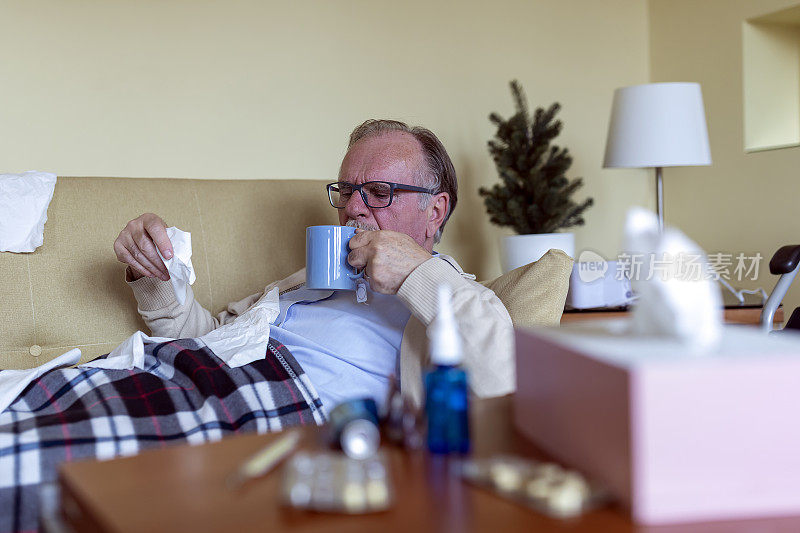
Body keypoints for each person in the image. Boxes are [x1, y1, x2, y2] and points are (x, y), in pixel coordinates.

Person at [114, 119, 514, 410]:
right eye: (346, 191)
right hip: (182, 371)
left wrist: (415, 272)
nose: (353, 208)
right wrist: (157, 274)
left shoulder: (453, 295)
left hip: (266, 402)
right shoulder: (309, 278)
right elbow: (216, 339)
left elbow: (502, 378)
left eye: (378, 192)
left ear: (435, 211)